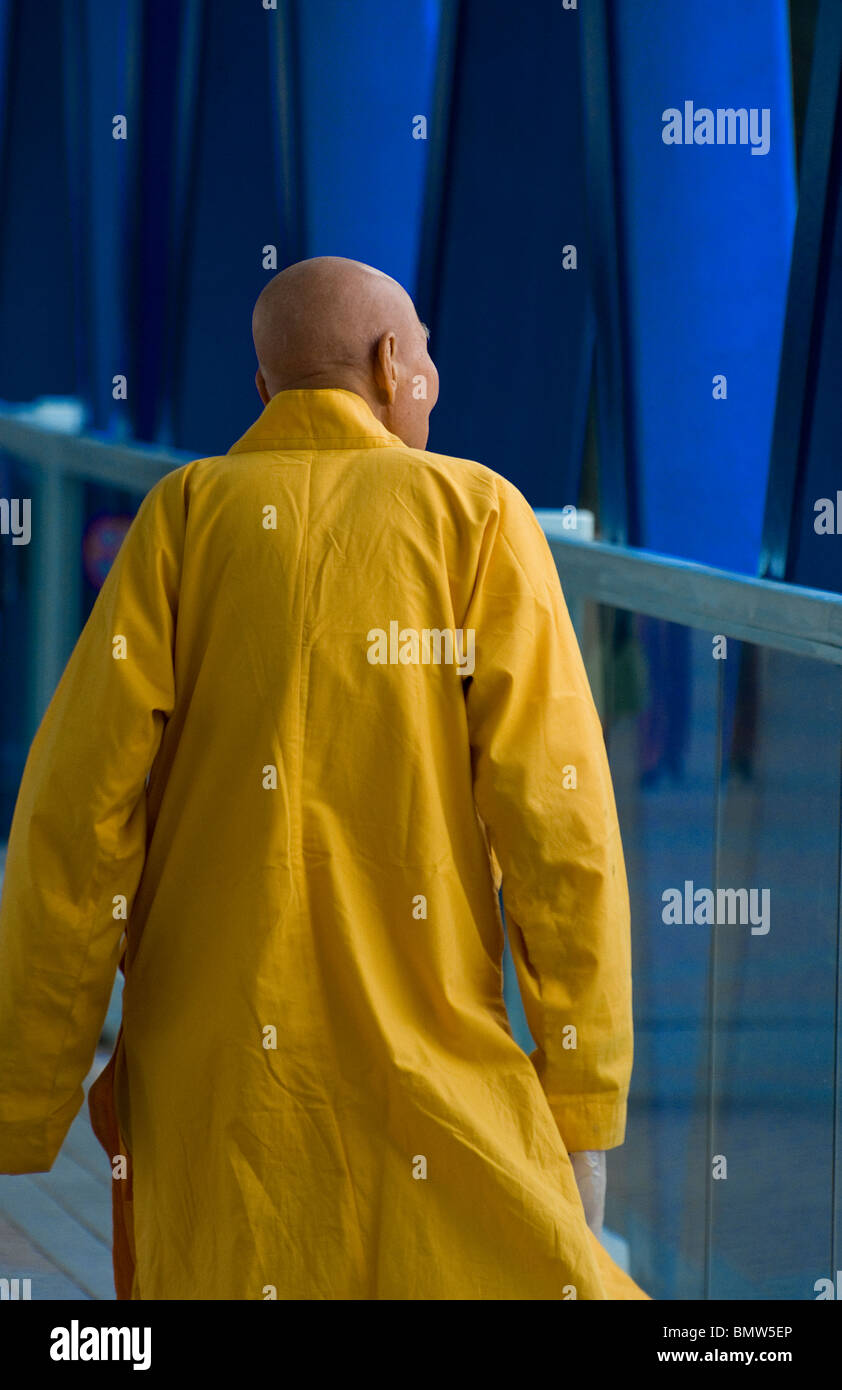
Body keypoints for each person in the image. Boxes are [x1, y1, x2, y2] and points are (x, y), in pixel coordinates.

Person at [0, 256, 647, 1300]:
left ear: (265, 393)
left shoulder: (182, 520)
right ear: (394, 366)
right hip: (431, 1082)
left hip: (215, 1105)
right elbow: (558, 837)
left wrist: (29, 1091)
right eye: (425, 351)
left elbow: (74, 827)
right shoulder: (475, 518)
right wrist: (583, 1106)